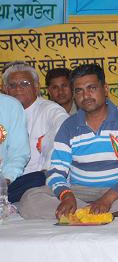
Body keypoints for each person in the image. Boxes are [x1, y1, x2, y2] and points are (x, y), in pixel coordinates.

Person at [19, 64, 118, 219]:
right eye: (79, 91)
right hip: (80, 191)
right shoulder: (69, 126)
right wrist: (66, 195)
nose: (86, 96)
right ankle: (108, 211)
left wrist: (108, 198)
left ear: (105, 89)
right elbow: (56, 170)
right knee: (28, 200)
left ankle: (86, 213)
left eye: (91, 88)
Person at [3, 62, 68, 201]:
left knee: (38, 178)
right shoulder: (4, 113)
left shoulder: (50, 110)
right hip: (7, 181)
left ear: (36, 87)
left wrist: (48, 169)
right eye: (12, 85)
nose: (18, 88)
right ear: (5, 90)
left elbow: (63, 131)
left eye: (24, 84)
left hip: (36, 181)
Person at [0, 94, 30, 203]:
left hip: (4, 184)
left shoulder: (11, 106)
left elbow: (18, 154)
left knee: (38, 179)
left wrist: (4, 181)